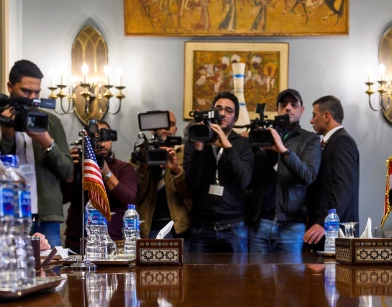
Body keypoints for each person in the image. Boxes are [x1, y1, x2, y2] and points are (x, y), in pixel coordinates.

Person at [0, 60, 73, 246]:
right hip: (4, 214)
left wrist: (47, 143)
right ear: (10, 86)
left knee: (51, 271)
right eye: (26, 91)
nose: (32, 97)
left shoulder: (51, 121)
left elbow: (68, 172)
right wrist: (6, 135)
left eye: (37, 92)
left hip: (46, 216)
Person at [247, 88, 322, 252]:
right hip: (260, 222)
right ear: (277, 110)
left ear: (302, 110)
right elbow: (249, 179)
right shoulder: (264, 135)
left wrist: (283, 150)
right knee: (254, 277)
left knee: (291, 277)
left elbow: (308, 176)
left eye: (294, 105)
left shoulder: (310, 139)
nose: (288, 108)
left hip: (292, 225)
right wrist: (257, 150)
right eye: (283, 104)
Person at [184, 91, 254, 252]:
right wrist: (199, 150)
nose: (222, 113)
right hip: (202, 225)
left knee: (237, 277)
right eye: (218, 109)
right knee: (198, 277)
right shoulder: (194, 140)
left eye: (228, 110)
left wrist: (228, 147)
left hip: (235, 226)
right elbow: (191, 183)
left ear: (236, 118)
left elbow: (244, 180)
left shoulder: (244, 144)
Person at [63, 121, 138, 249]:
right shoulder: (77, 164)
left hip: (112, 241)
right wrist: (68, 167)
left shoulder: (124, 168)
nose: (102, 143)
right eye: (97, 138)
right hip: (77, 242)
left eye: (106, 138)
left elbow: (129, 201)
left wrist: (106, 173)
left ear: (112, 141)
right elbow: (64, 197)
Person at [304, 96, 359, 248]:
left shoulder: (342, 141)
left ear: (327, 116)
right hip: (325, 230)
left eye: (314, 115)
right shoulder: (331, 142)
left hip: (333, 232)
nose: (311, 120)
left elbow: (343, 186)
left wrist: (324, 223)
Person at [132, 111, 192, 239]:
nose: (166, 128)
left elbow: (190, 193)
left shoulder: (185, 152)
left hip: (178, 227)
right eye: (162, 124)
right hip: (149, 226)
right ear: (152, 129)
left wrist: (176, 170)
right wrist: (144, 166)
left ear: (175, 128)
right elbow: (135, 195)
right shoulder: (142, 153)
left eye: (170, 124)